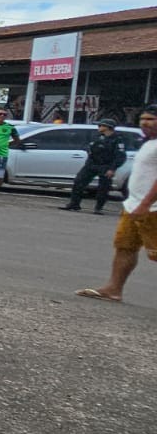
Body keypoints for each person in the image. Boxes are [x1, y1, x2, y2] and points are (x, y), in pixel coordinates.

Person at [75, 106, 157, 303]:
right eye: (143, 118)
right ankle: (113, 289)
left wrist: (145, 204)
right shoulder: (149, 143)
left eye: (151, 119)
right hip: (133, 206)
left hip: (151, 209)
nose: (145, 122)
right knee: (125, 247)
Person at [62, 118, 127, 214]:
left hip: (106, 166)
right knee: (79, 182)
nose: (99, 127)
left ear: (108, 127)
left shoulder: (117, 139)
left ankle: (98, 208)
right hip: (92, 164)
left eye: (101, 126)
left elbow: (120, 156)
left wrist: (112, 169)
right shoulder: (97, 136)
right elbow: (89, 147)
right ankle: (74, 204)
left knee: (103, 188)